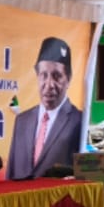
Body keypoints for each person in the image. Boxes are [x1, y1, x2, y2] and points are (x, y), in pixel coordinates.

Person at [7, 38, 86, 179]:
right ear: (37, 76)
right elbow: (11, 170)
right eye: (43, 75)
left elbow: (85, 172)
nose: (49, 84)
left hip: (56, 199)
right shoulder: (22, 120)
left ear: (68, 78)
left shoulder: (80, 121)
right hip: (19, 199)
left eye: (57, 76)